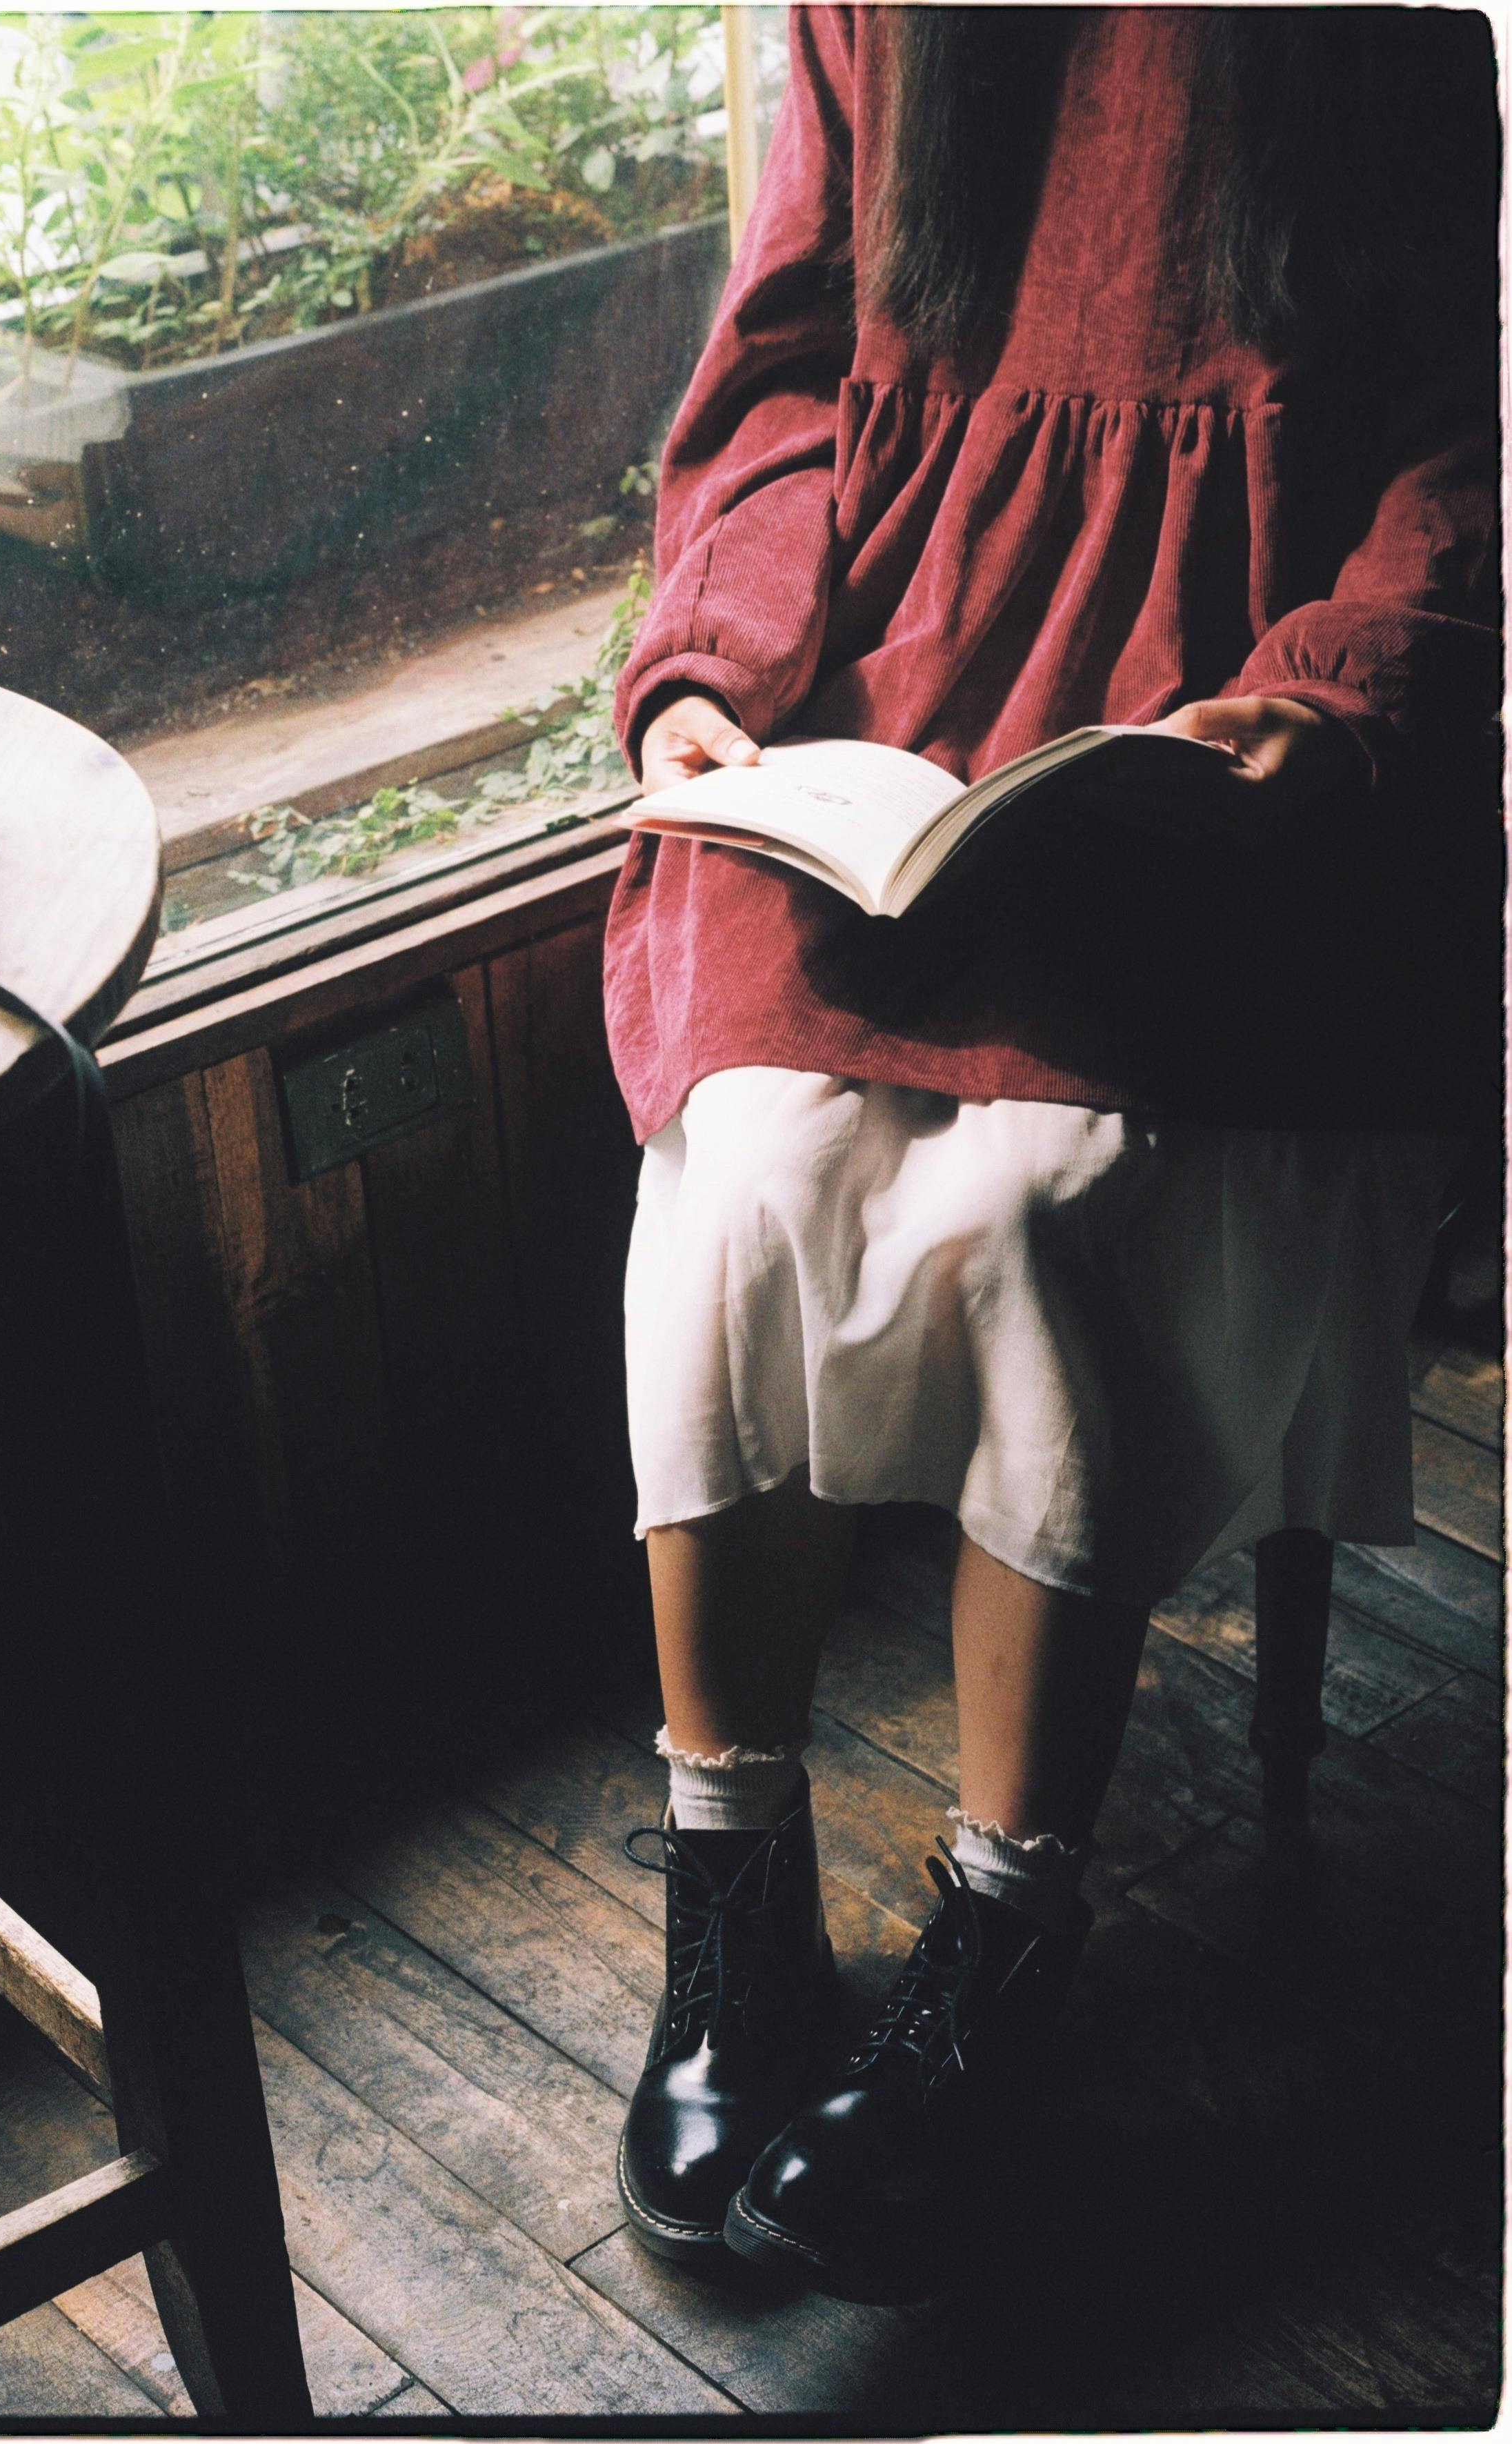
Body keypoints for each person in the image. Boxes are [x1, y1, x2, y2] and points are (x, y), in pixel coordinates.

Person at [605, 6, 1500, 2305]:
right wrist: (715, 655)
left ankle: (1001, 1948)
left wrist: (1327, 681)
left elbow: (1473, 410)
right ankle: (738, 1911)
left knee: (1037, 1199)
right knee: (742, 1170)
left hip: (1214, 720)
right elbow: (789, 349)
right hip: (888, 675)